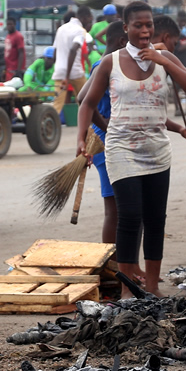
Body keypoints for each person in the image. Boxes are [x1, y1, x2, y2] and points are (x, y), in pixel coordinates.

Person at [76, 2, 186, 297]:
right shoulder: (111, 62)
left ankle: (154, 286)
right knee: (130, 215)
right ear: (126, 28)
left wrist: (166, 61)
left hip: (157, 150)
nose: (145, 31)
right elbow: (87, 102)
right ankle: (127, 289)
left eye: (148, 25)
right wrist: (81, 138)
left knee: (156, 218)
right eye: (138, 26)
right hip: (121, 149)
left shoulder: (165, 58)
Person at [77, 20, 129, 244]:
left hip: (107, 141)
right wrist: (106, 125)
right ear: (122, 41)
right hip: (104, 143)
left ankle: (123, 263)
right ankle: (111, 265)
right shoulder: (104, 66)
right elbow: (82, 99)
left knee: (123, 210)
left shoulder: (102, 63)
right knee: (114, 211)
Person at [51, 5, 93, 113]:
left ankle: (48, 127)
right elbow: (74, 50)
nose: (89, 23)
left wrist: (61, 69)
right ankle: (90, 130)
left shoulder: (61, 29)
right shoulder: (80, 30)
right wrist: (67, 75)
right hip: (75, 72)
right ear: (85, 17)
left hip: (60, 71)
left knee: (57, 104)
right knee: (86, 102)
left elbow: (55, 52)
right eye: (89, 20)